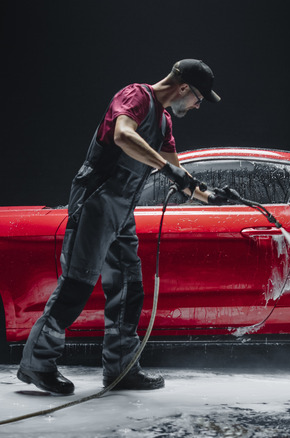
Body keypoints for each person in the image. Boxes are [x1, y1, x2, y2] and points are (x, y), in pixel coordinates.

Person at [17, 59, 222, 394]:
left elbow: (177, 172)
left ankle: (121, 369)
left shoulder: (165, 121)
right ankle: (36, 364)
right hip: (96, 200)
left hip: (122, 210)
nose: (199, 105)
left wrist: (207, 195)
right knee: (77, 284)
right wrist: (171, 174)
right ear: (184, 88)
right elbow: (123, 135)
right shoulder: (136, 96)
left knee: (129, 289)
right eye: (199, 97)